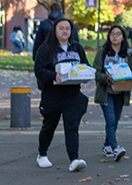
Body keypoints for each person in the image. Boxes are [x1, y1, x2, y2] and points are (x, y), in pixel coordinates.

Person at [32, 18, 90, 172]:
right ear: (55, 30)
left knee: (72, 127)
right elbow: (39, 70)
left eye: (68, 28)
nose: (65, 31)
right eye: (61, 28)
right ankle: (42, 154)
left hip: (72, 94)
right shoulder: (46, 49)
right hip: (53, 94)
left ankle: (74, 159)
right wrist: (54, 75)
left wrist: (85, 76)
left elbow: (85, 65)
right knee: (49, 126)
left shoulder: (77, 48)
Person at [93, 25, 132, 162]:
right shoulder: (103, 52)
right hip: (107, 92)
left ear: (123, 36)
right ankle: (115, 148)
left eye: (118, 34)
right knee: (110, 119)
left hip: (121, 92)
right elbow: (95, 72)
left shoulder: (128, 53)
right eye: (112, 34)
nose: (115, 36)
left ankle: (107, 145)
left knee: (115, 121)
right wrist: (107, 78)